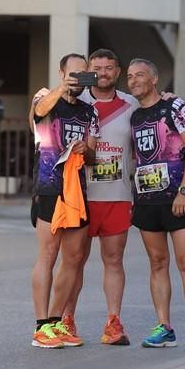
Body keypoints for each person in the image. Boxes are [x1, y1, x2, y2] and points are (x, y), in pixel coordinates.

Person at [59, 49, 139, 346]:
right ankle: (66, 320)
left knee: (114, 259)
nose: (103, 73)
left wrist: (169, 98)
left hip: (117, 194)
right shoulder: (76, 102)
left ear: (117, 72)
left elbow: (156, 112)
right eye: (97, 68)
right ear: (88, 71)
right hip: (80, 194)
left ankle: (113, 323)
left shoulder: (131, 105)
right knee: (75, 261)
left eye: (109, 68)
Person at [126, 58, 185, 351]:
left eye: (140, 75)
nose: (134, 80)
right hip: (147, 201)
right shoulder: (134, 117)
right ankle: (164, 326)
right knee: (157, 263)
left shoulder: (175, 108)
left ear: (154, 79)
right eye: (130, 76)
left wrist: (184, 191)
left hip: (178, 198)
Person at [28, 53, 100, 349]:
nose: (80, 79)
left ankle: (57, 321)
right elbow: (38, 112)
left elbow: (94, 157)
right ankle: (41, 325)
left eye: (85, 74)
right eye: (74, 74)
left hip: (77, 192)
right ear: (61, 73)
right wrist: (62, 88)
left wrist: (86, 148)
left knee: (73, 258)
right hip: (48, 188)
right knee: (48, 255)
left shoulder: (89, 112)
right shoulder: (46, 97)